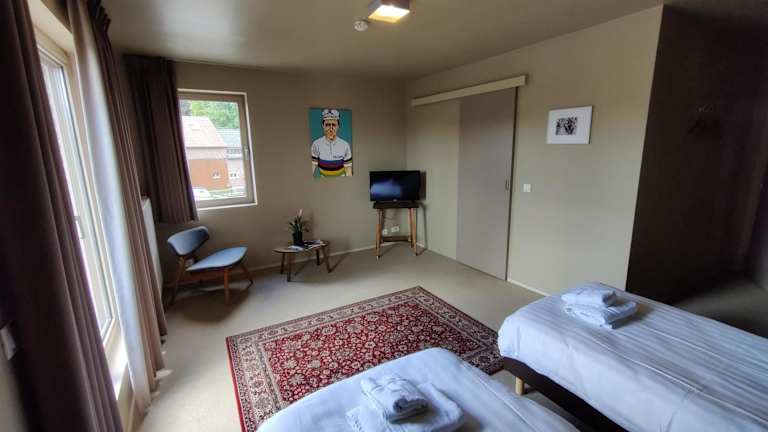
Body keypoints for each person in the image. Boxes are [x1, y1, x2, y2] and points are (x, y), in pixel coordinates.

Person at [311, 109, 352, 177]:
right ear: (323, 126)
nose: (331, 128)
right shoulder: (316, 144)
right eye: (327, 125)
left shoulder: (345, 145)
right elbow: (312, 168)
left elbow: (348, 172)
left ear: (338, 126)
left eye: (334, 125)